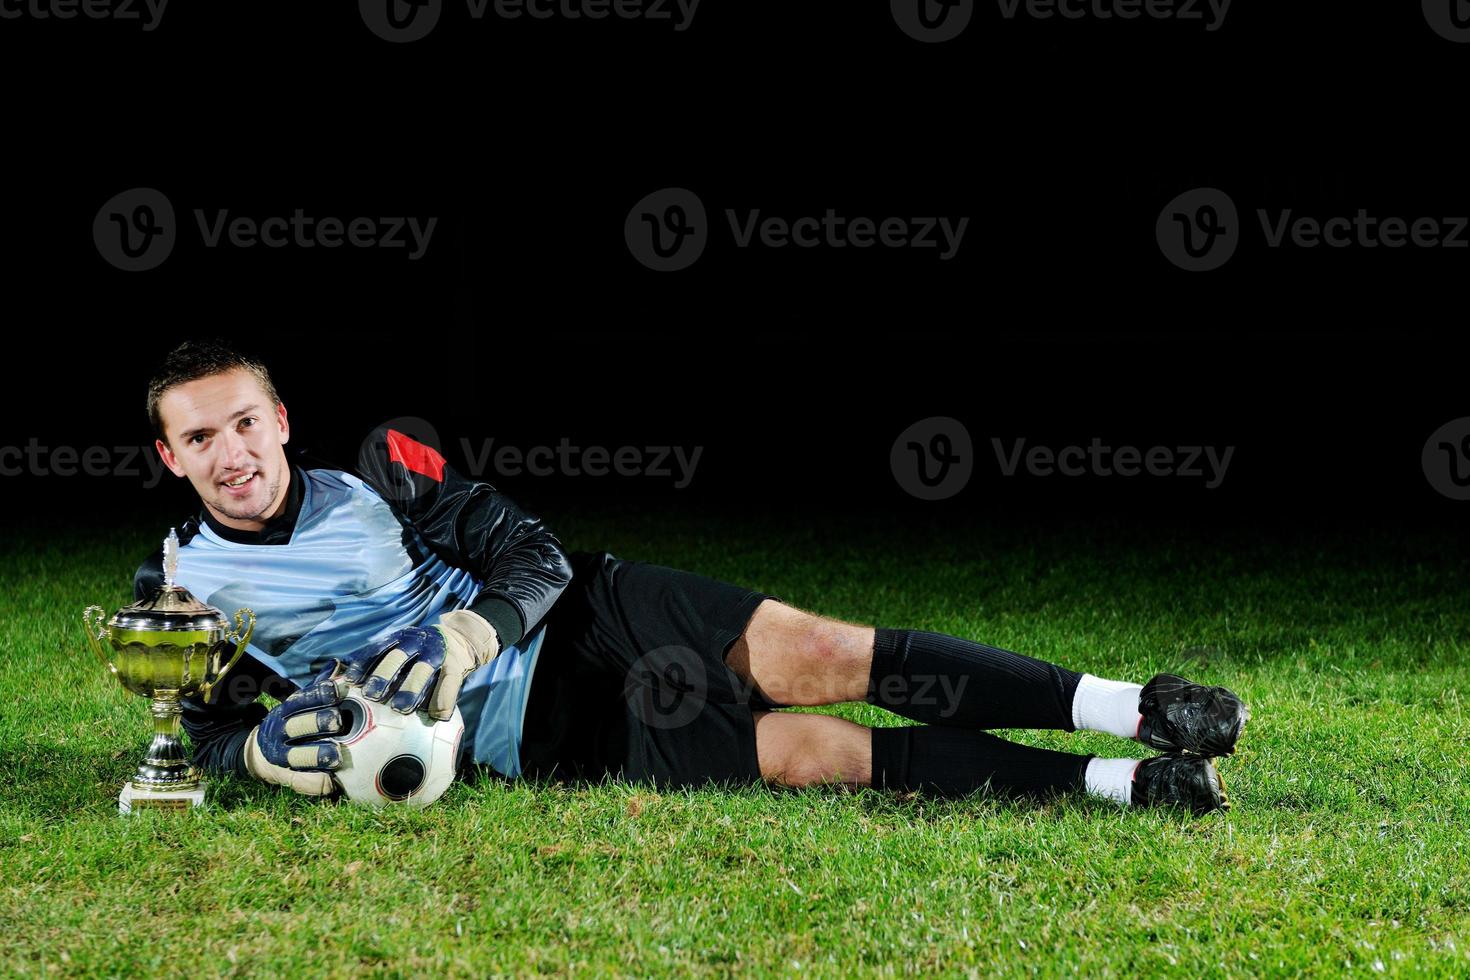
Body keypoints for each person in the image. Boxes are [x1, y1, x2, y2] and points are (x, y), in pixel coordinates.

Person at [135, 340, 1249, 816]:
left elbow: (533, 552)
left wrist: (464, 635)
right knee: (819, 755)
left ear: (280, 419)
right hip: (535, 735)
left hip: (589, 615)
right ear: (173, 457)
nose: (234, 452)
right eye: (204, 437)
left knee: (820, 656)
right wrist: (265, 755)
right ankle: (1118, 785)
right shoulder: (174, 589)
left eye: (247, 420)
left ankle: (1133, 707)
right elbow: (212, 740)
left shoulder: (382, 471)